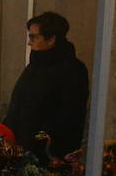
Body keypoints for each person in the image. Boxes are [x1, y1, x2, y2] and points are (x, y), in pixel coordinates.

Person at [5, 10, 90, 158]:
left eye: (34, 37)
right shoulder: (33, 67)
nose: (29, 42)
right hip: (21, 147)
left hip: (50, 150)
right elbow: (17, 104)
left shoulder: (73, 70)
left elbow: (69, 113)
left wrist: (41, 139)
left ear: (51, 40)